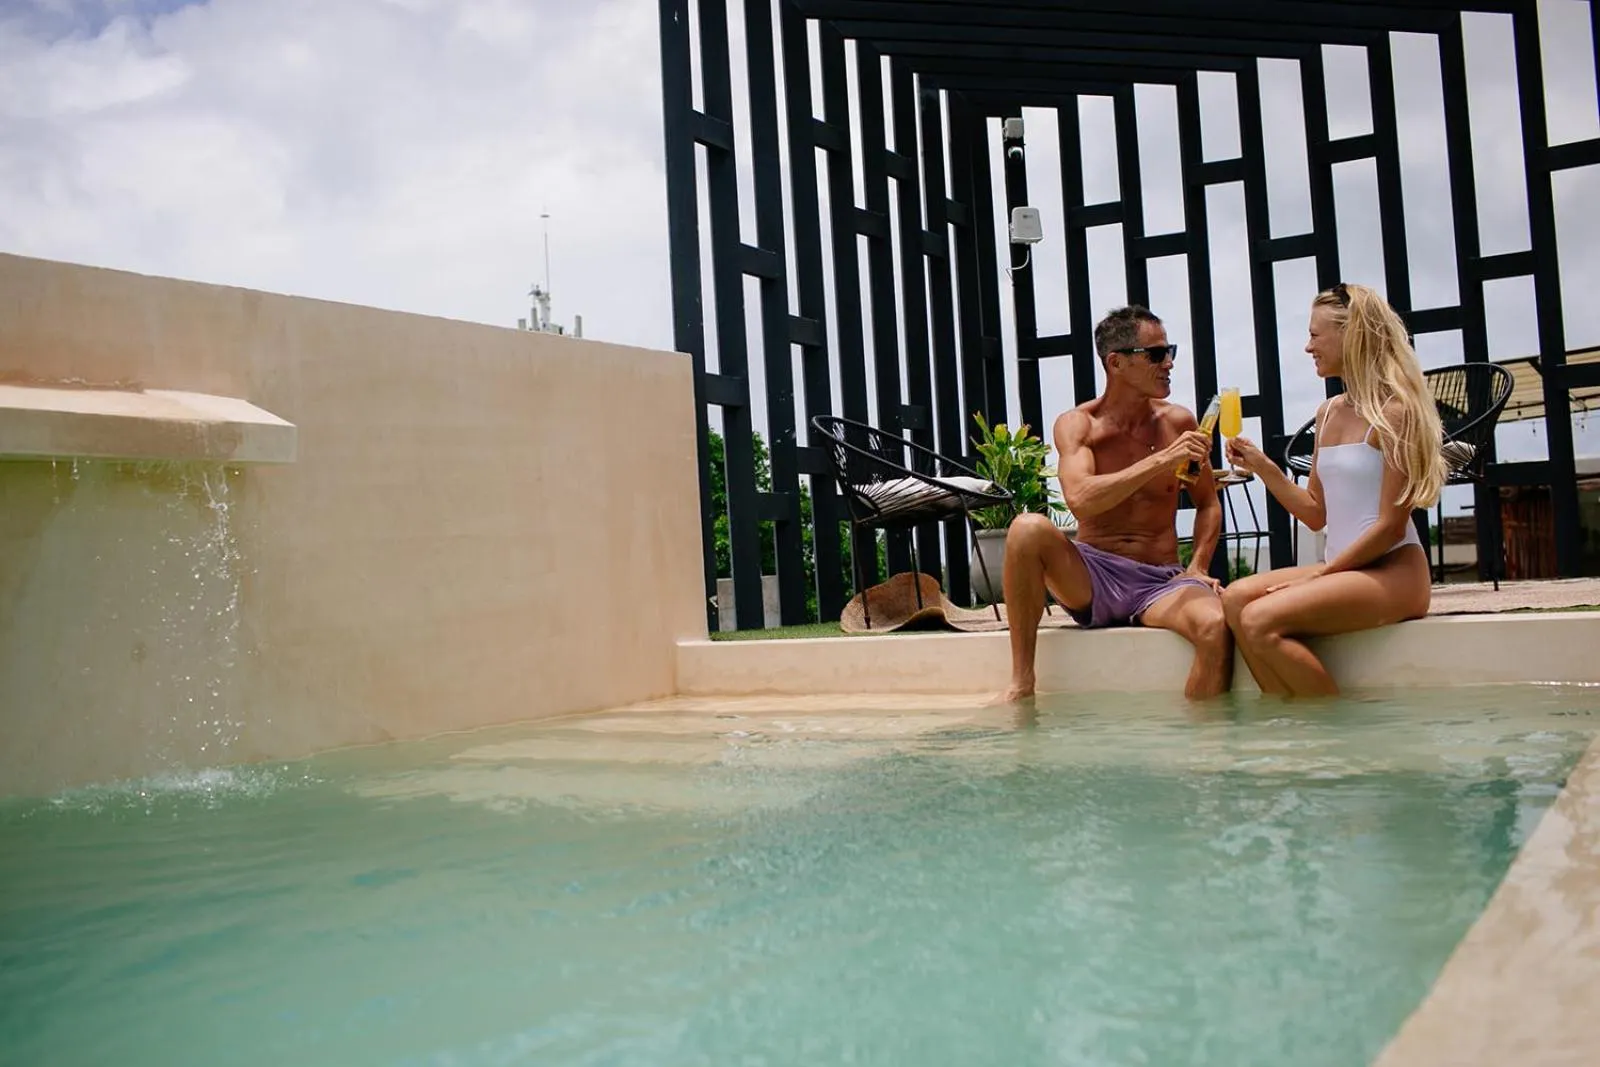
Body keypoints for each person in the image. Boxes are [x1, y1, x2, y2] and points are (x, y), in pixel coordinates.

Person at [1221, 282, 1445, 698]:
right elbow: (1314, 513)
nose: (1308, 347)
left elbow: (1391, 527)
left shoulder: (1396, 412)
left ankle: (1334, 735)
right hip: (1345, 568)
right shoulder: (1328, 412)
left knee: (1258, 619)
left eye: (1314, 334)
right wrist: (1263, 467)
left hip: (1392, 571)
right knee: (1235, 599)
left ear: (1351, 334)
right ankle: (1291, 721)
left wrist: (1321, 576)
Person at [999, 305, 1231, 703]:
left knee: (1214, 629)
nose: (1169, 363)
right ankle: (1022, 683)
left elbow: (1208, 503)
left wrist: (1197, 568)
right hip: (1093, 576)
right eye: (1156, 354)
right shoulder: (1078, 424)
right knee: (1027, 528)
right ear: (1116, 362)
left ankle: (1200, 752)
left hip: (1161, 580)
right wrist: (1161, 459)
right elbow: (1081, 501)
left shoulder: (1179, 422)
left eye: (1169, 350)